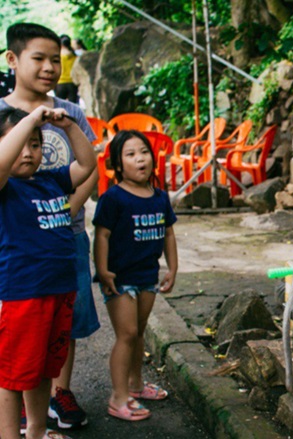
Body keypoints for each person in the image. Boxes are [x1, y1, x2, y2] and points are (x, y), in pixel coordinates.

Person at [2, 22, 100, 432]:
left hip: (60, 272)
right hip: (21, 287)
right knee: (13, 372)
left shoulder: (50, 174)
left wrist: (66, 125)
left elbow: (88, 166)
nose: (48, 67)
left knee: (47, 362)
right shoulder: (10, 182)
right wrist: (31, 121)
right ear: (13, 60)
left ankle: (41, 426)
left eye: (54, 60)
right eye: (37, 58)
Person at [93, 130, 178, 422]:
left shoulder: (160, 197)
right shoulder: (113, 198)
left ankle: (136, 386)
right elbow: (101, 235)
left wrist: (172, 268)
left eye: (144, 151)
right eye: (130, 154)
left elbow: (168, 233)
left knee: (139, 332)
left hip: (147, 276)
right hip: (120, 278)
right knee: (126, 334)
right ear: (118, 164)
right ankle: (118, 398)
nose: (140, 158)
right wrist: (102, 270)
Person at [54, 35, 78, 104]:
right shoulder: (74, 56)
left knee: (59, 106)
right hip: (72, 83)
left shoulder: (58, 57)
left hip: (60, 83)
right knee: (73, 106)